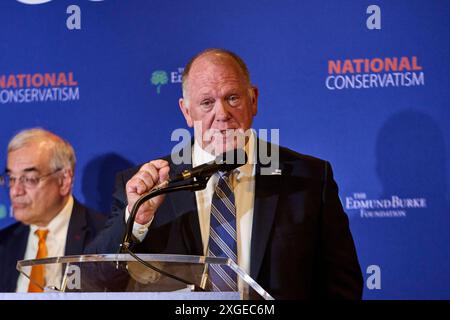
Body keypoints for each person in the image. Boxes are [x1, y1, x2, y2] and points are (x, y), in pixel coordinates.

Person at [87, 48, 363, 299]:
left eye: (232, 98)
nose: (222, 113)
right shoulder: (149, 184)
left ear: (253, 100)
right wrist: (138, 220)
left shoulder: (310, 178)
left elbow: (341, 286)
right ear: (186, 111)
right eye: (207, 102)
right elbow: (95, 279)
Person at [0, 128, 106, 292]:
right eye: (11, 178)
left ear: (64, 181)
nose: (15, 191)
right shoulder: (4, 244)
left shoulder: (103, 238)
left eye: (29, 179)